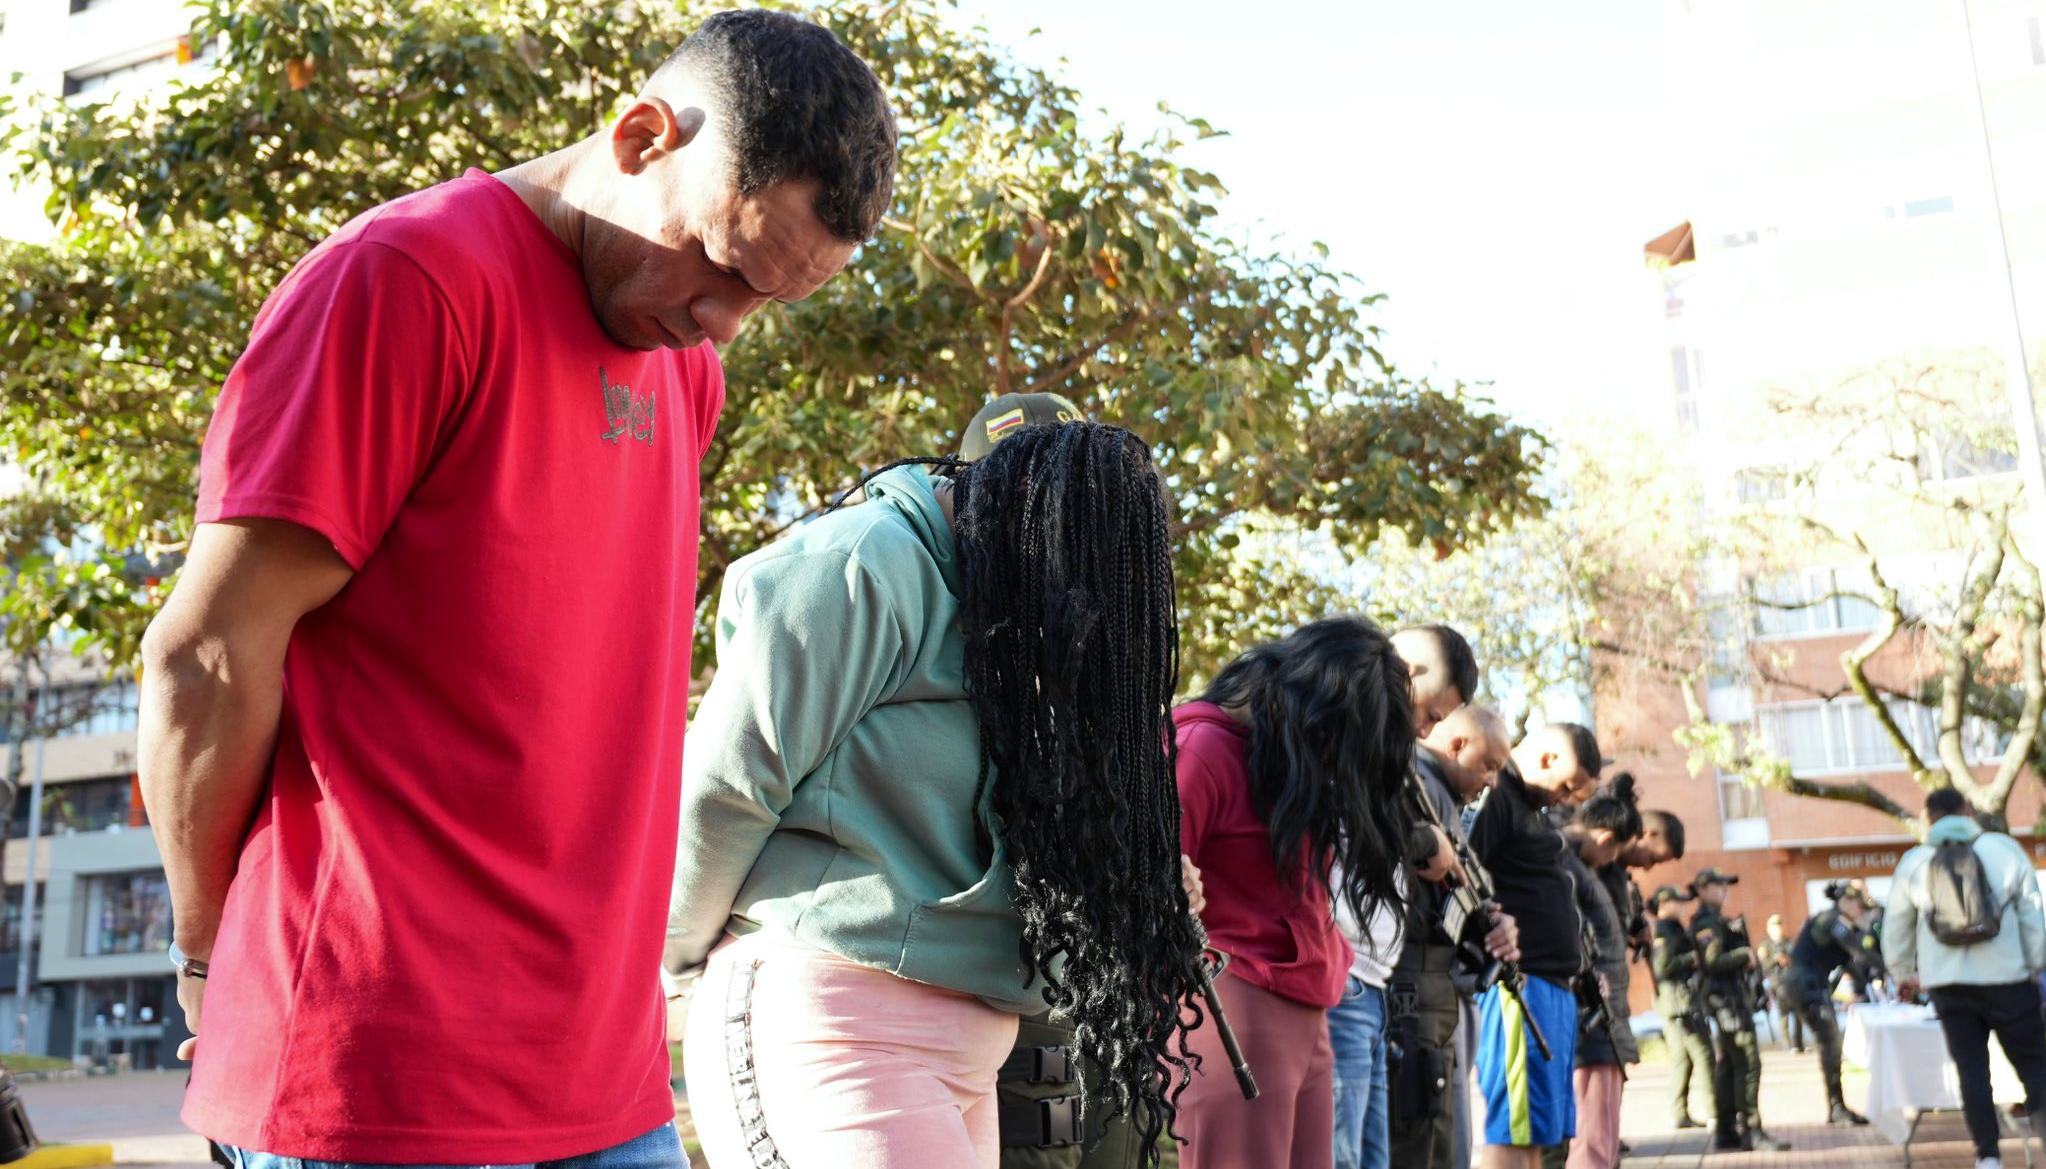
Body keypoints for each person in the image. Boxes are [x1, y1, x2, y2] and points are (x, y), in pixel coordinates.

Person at [135, 12, 894, 1167]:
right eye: (722, 265)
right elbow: (209, 653)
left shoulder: (683, 367)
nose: (722, 325)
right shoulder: (405, 279)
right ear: (640, 137)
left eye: (765, 303)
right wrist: (202, 951)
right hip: (374, 1072)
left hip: (605, 1077)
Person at [667, 423, 1200, 1168]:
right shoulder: (863, 567)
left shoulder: (1012, 626)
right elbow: (725, 789)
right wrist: (672, 965)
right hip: (834, 1029)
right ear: (1024, 521)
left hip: (971, 1054)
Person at [1176, 617, 1417, 1169]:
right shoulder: (1201, 747)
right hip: (1235, 1001)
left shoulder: (1280, 759)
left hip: (1307, 1003)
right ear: (1314, 711)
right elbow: (1141, 900)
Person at [1376, 703, 1518, 1169]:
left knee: (1443, 1139)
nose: (1492, 781)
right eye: (1488, 766)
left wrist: (1492, 919)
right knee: (1421, 1142)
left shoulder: (1444, 799)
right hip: (1412, 987)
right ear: (1457, 745)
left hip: (1436, 988)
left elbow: (1468, 890)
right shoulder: (1416, 783)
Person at [1885, 786, 2046, 1169]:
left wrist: (1903, 972)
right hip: (2008, 978)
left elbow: (1897, 927)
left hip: (1948, 984)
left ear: (1928, 819)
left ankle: (1988, 1156)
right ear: (1967, 812)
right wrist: (2034, 964)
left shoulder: (1915, 862)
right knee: (2034, 1066)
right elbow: (2031, 913)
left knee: (1972, 1070)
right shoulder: (2003, 850)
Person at [1466, 723, 1599, 1169]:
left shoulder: (1530, 808)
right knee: (1513, 1129)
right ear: (1547, 759)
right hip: (1519, 987)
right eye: (1567, 787)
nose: (1566, 799)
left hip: (1553, 989)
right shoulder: (1495, 796)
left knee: (1537, 1133)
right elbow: (1464, 875)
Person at [1557, 778, 1643, 1169]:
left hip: (1602, 1016)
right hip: (1589, 1017)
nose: (1613, 861)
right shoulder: (1568, 865)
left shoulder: (1585, 869)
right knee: (1592, 1138)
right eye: (1615, 852)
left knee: (1602, 1135)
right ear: (1606, 837)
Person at [1690, 870, 1788, 1151]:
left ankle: (1727, 1131)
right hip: (1727, 1003)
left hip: (1729, 1001)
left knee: (1730, 1066)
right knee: (1747, 1064)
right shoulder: (1707, 922)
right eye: (1718, 885)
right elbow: (1711, 961)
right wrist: (1743, 954)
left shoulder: (1715, 920)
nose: (1724, 890)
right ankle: (1751, 1130)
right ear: (1703, 888)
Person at [1779, 882, 1880, 1127]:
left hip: (1811, 985)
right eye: (1859, 906)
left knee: (1832, 1043)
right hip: (1806, 985)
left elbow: (1850, 964)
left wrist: (1868, 986)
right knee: (1830, 1043)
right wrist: (1895, 969)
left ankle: (1838, 1106)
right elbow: (1859, 950)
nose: (1861, 912)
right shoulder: (1830, 920)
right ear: (1845, 901)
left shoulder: (1835, 923)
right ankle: (1837, 1108)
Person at [1647, 885, 1715, 1130]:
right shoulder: (1664, 932)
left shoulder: (1673, 928)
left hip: (1677, 1003)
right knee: (1703, 1054)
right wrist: (1690, 959)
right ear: (1664, 905)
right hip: (1679, 1004)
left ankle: (1679, 1113)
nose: (1681, 906)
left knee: (1682, 1059)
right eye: (1677, 902)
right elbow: (1662, 967)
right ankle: (1715, 1112)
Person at [1757, 916, 1804, 1054]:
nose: (1778, 930)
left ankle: (1799, 1044)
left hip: (1791, 982)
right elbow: (1763, 966)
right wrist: (1775, 959)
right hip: (1776, 983)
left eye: (1779, 927)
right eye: (1774, 927)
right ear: (1769, 929)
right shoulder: (1765, 946)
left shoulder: (1788, 942)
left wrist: (1787, 960)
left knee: (1798, 1013)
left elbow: (1796, 958)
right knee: (1783, 1014)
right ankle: (1787, 1045)